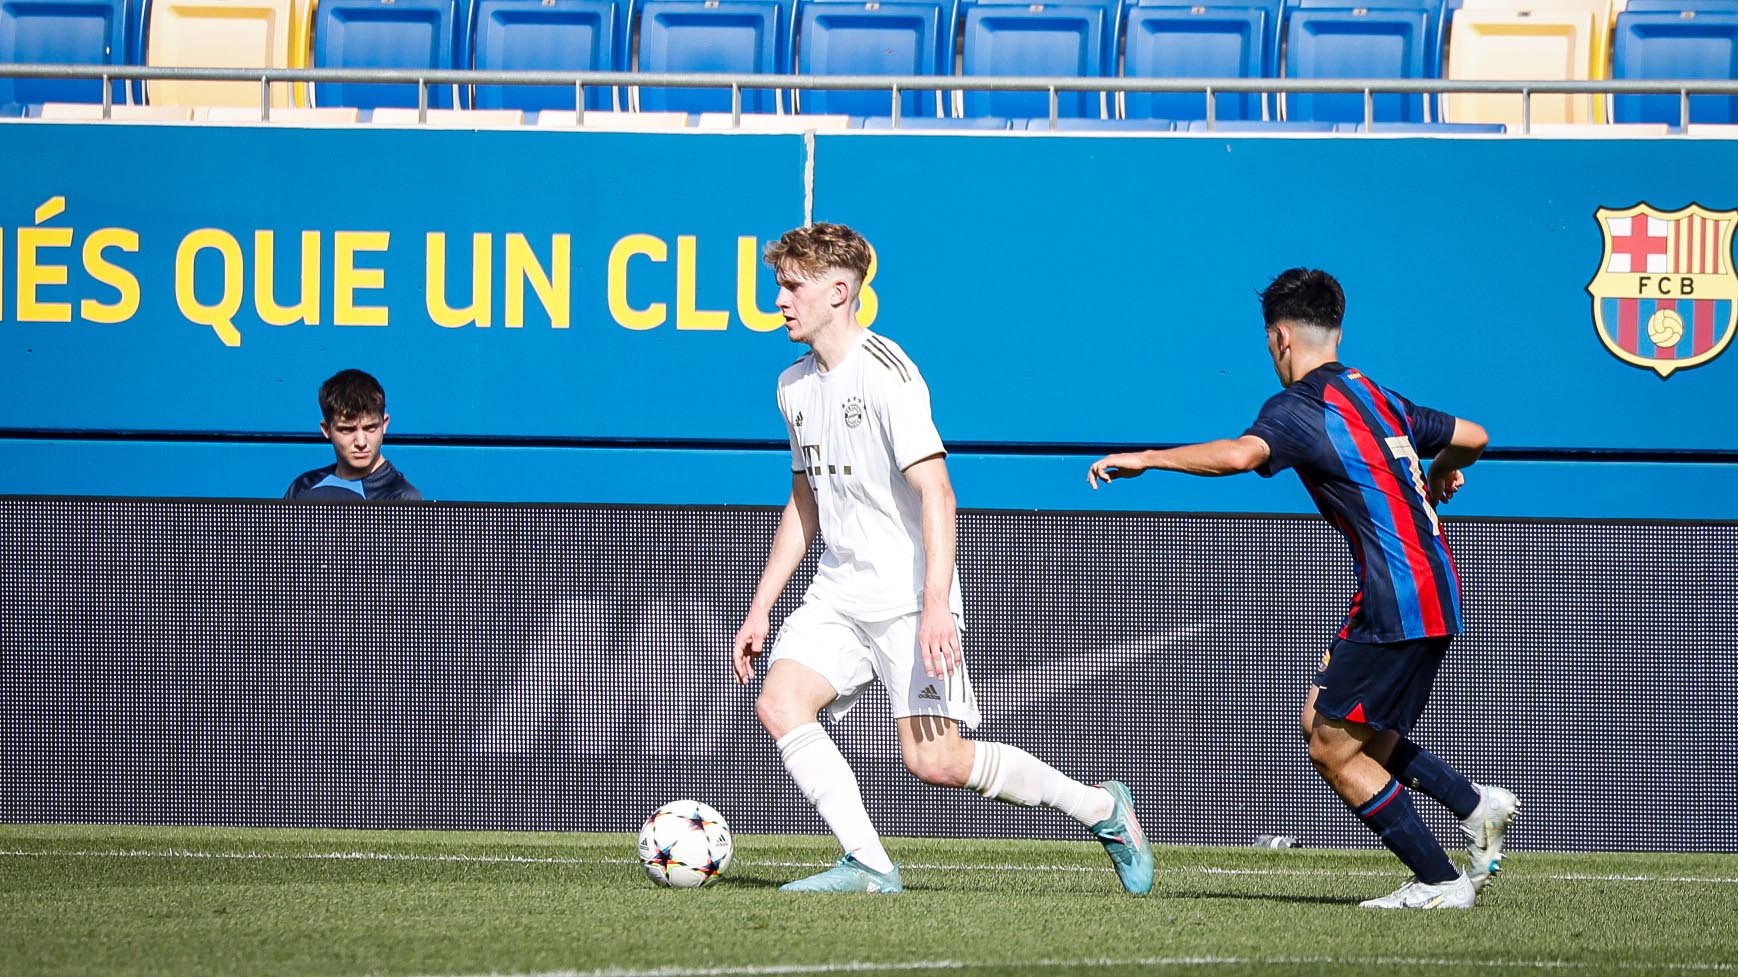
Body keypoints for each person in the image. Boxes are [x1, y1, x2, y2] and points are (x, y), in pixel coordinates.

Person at [732, 222, 1153, 895]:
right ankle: (869, 864)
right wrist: (760, 608)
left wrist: (934, 608)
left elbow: (939, 493)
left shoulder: (890, 375)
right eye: (779, 285)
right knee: (780, 701)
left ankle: (1103, 809)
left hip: (907, 598)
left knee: (937, 760)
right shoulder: (792, 385)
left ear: (839, 291)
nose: (779, 299)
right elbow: (803, 501)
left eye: (792, 286)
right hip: (837, 595)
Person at [1085, 268, 1517, 910]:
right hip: (1423, 587)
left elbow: (1238, 455)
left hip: (1399, 595)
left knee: (1332, 749)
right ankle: (1474, 804)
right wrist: (1442, 473)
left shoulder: (1298, 408)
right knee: (1328, 712)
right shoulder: (1377, 394)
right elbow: (1475, 437)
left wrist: (1147, 458)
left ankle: (1441, 880)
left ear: (1281, 337)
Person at [284, 369, 422, 501]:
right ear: (326, 430)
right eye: (347, 430)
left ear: (384, 424)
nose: (361, 442)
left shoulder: (401, 498)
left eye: (370, 428)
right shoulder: (304, 486)